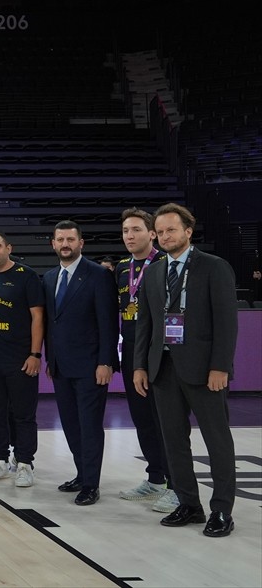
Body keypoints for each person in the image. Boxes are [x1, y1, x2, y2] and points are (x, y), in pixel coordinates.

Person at [133, 203, 238, 538]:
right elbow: (145, 325)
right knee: (174, 442)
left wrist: (220, 366)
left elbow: (226, 322)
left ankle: (221, 510)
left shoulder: (213, 267)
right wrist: (139, 365)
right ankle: (189, 504)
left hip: (205, 371)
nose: (165, 236)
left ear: (188, 231)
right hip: (163, 369)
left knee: (217, 441)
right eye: (160, 232)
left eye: (171, 230)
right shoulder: (151, 272)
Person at [44, 221, 119, 506]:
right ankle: (81, 473)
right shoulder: (50, 277)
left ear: (81, 243)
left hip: (90, 367)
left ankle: (91, 484)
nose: (65, 244)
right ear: (53, 244)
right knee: (71, 426)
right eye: (60, 239)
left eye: (71, 239)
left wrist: (106, 362)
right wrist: (51, 359)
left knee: (89, 426)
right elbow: (53, 325)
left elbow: (108, 323)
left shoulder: (99, 275)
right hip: (61, 367)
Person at [114, 208, 175, 512]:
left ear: (152, 234)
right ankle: (155, 478)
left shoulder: (165, 265)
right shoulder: (122, 268)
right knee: (142, 420)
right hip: (132, 354)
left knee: (167, 421)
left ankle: (177, 485)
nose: (130, 236)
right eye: (126, 230)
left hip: (160, 355)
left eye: (136, 229)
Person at [0, 230, 45, 487]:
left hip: (19, 358)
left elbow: (38, 317)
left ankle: (25, 463)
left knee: (24, 415)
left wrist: (35, 354)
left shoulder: (26, 276)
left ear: (8, 248)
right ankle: (0, 461)